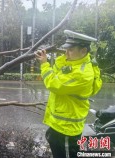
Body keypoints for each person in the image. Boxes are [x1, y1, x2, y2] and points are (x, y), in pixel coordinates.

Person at [35, 30, 102, 158]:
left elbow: (54, 84)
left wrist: (44, 64)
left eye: (70, 50)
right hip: (61, 126)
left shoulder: (82, 74)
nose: (66, 53)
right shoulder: (78, 63)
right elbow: (57, 70)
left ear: (83, 51)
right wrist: (67, 55)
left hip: (66, 130)